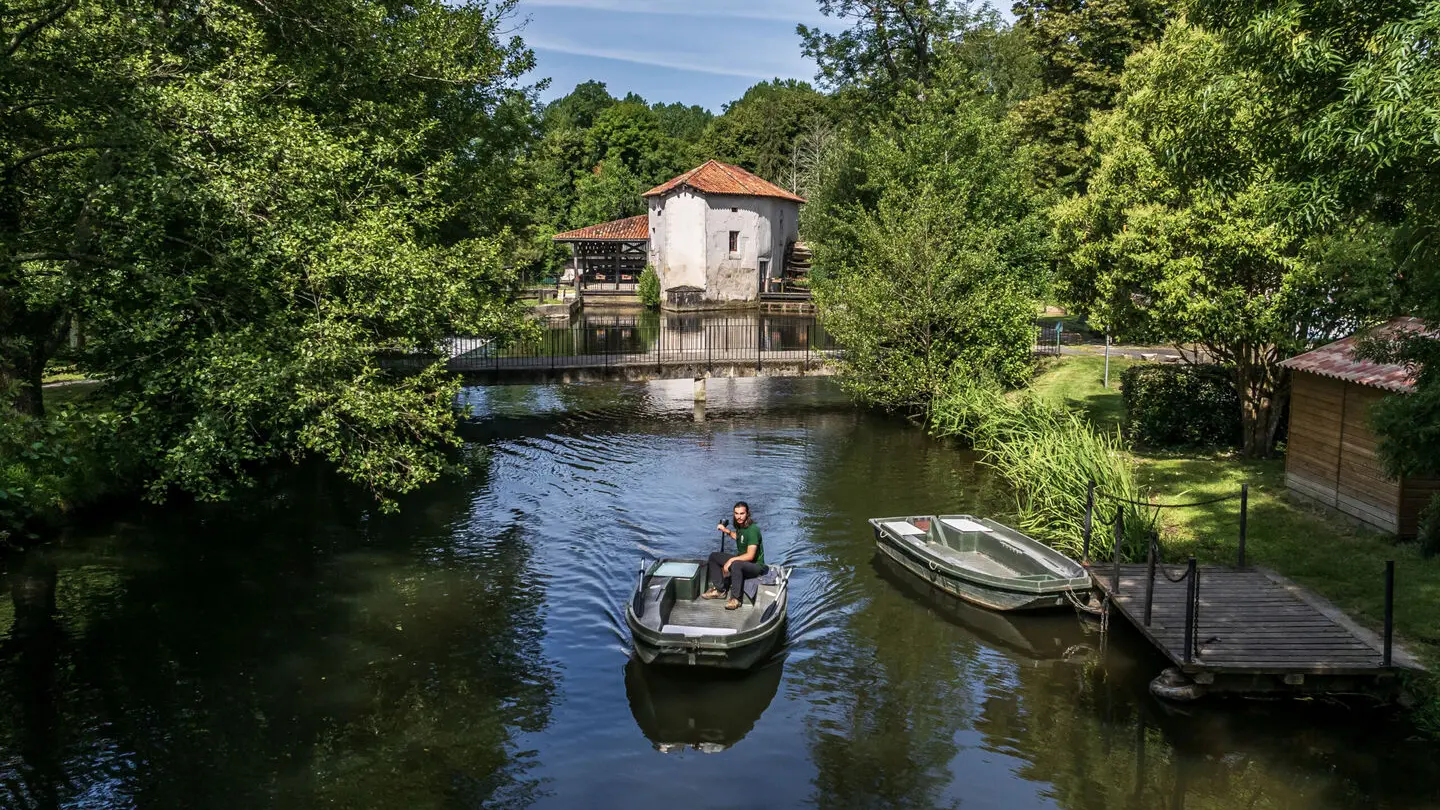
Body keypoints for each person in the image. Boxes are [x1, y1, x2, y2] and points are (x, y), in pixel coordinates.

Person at [703, 501, 766, 610]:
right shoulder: (740, 526)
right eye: (736, 513)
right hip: (742, 562)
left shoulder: (753, 530)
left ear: (747, 514)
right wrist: (726, 531)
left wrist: (731, 560)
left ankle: (736, 599)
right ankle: (720, 590)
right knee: (713, 557)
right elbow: (739, 537)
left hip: (755, 566)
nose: (739, 517)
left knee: (736, 564)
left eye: (742, 513)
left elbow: (750, 556)